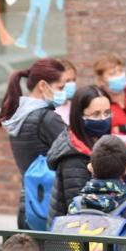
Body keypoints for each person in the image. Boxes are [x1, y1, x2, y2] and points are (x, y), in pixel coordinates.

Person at [0, 58, 68, 229]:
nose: (64, 93)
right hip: (51, 210)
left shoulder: (17, 117)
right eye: (60, 87)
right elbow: (72, 155)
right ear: (43, 85)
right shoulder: (47, 119)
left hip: (28, 205)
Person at [47, 85, 112, 225]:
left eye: (107, 113)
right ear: (80, 116)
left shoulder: (97, 142)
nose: (103, 119)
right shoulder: (74, 158)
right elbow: (80, 210)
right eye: (96, 114)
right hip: (74, 241)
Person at [54, 59, 78, 124]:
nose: (72, 84)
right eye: (67, 81)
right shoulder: (48, 109)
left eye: (74, 80)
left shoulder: (75, 106)